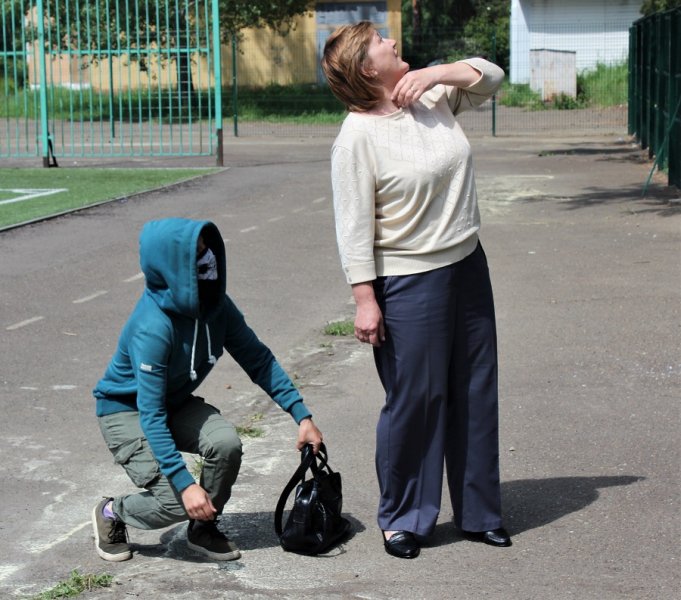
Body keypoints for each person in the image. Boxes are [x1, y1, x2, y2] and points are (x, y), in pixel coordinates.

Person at [321, 22, 510, 559]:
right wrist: (364, 299)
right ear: (366, 67)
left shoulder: (432, 97)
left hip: (467, 264)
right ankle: (404, 518)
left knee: (475, 390)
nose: (392, 41)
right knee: (416, 400)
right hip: (408, 279)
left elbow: (491, 76)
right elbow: (353, 226)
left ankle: (479, 513)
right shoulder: (356, 137)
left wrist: (434, 73)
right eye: (382, 41)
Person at [91, 217, 323, 562]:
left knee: (225, 443)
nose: (207, 263)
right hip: (126, 410)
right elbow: (151, 415)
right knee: (174, 501)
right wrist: (185, 485)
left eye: (207, 253)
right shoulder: (152, 327)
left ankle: (203, 526)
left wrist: (301, 415)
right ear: (171, 268)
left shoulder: (217, 308)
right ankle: (113, 512)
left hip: (173, 403)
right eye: (195, 259)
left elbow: (258, 360)